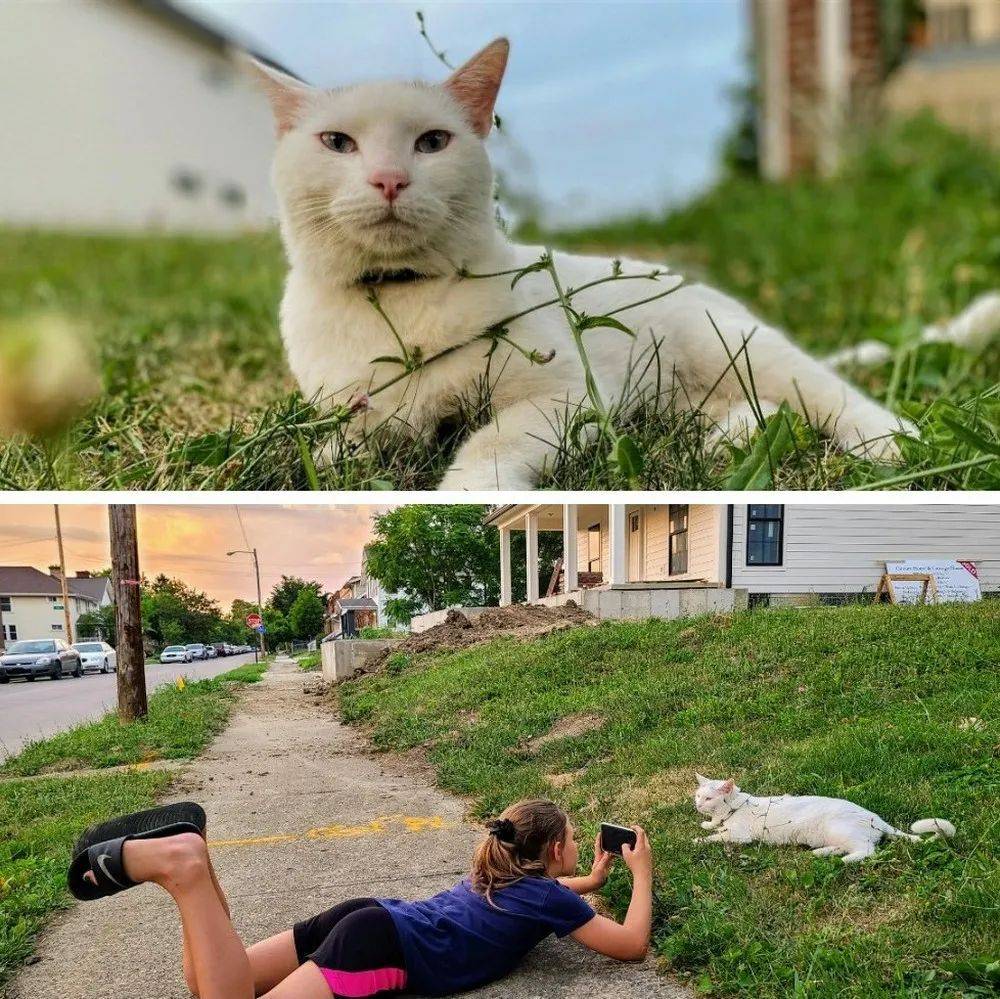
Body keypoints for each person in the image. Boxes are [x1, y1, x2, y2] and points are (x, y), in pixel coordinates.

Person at [69, 798, 654, 998]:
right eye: (575, 840)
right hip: (377, 948)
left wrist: (596, 880)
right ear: (553, 851)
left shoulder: (499, 875)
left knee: (216, 985)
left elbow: (554, 896)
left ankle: (191, 860)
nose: (581, 846)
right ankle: (187, 869)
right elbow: (628, 944)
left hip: (365, 916)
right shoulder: (547, 901)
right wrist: (642, 873)